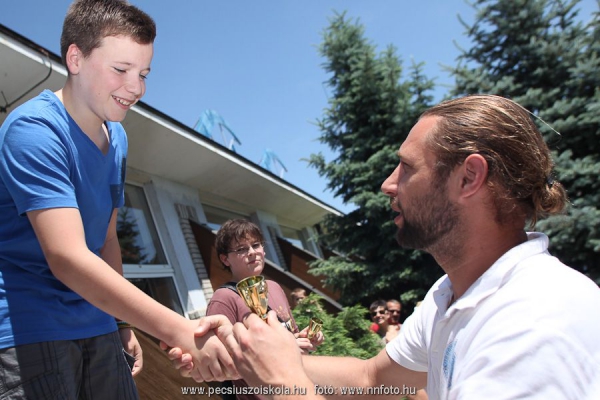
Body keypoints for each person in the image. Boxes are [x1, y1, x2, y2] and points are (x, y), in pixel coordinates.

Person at [204, 94, 600, 399]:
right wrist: (253, 355)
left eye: (407, 167)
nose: (388, 184)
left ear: (469, 178)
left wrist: (282, 380)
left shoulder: (536, 318)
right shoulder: (449, 297)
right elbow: (371, 377)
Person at [0, 1, 235, 398]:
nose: (137, 88)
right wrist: (180, 330)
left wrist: (121, 322)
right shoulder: (34, 130)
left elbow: (107, 238)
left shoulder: (118, 138)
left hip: (97, 322)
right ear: (76, 58)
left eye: (143, 74)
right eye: (121, 70)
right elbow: (68, 257)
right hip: (29, 329)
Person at [207, 219, 323, 400]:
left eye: (255, 245)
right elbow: (219, 363)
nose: (252, 252)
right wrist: (286, 349)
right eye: (241, 249)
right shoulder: (223, 299)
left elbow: (290, 334)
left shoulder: (274, 287)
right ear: (225, 259)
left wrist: (305, 339)